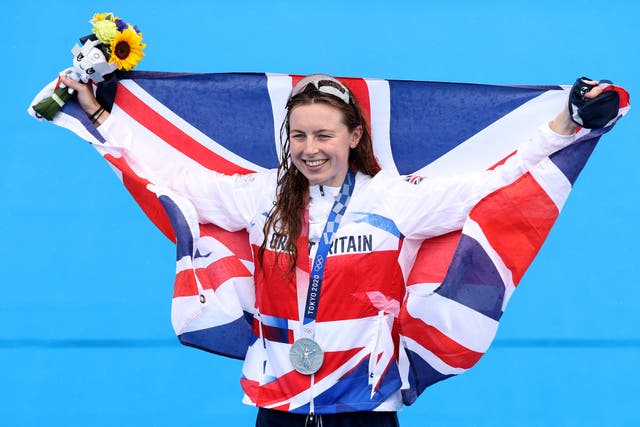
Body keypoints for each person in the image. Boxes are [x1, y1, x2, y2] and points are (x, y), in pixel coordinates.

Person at [60, 73, 609, 427]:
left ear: (353, 136)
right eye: (298, 136)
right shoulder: (260, 195)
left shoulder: (396, 199)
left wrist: (567, 125)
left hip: (366, 405)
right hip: (276, 400)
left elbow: (497, 180)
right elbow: (171, 175)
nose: (309, 149)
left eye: (324, 135)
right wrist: (100, 115)